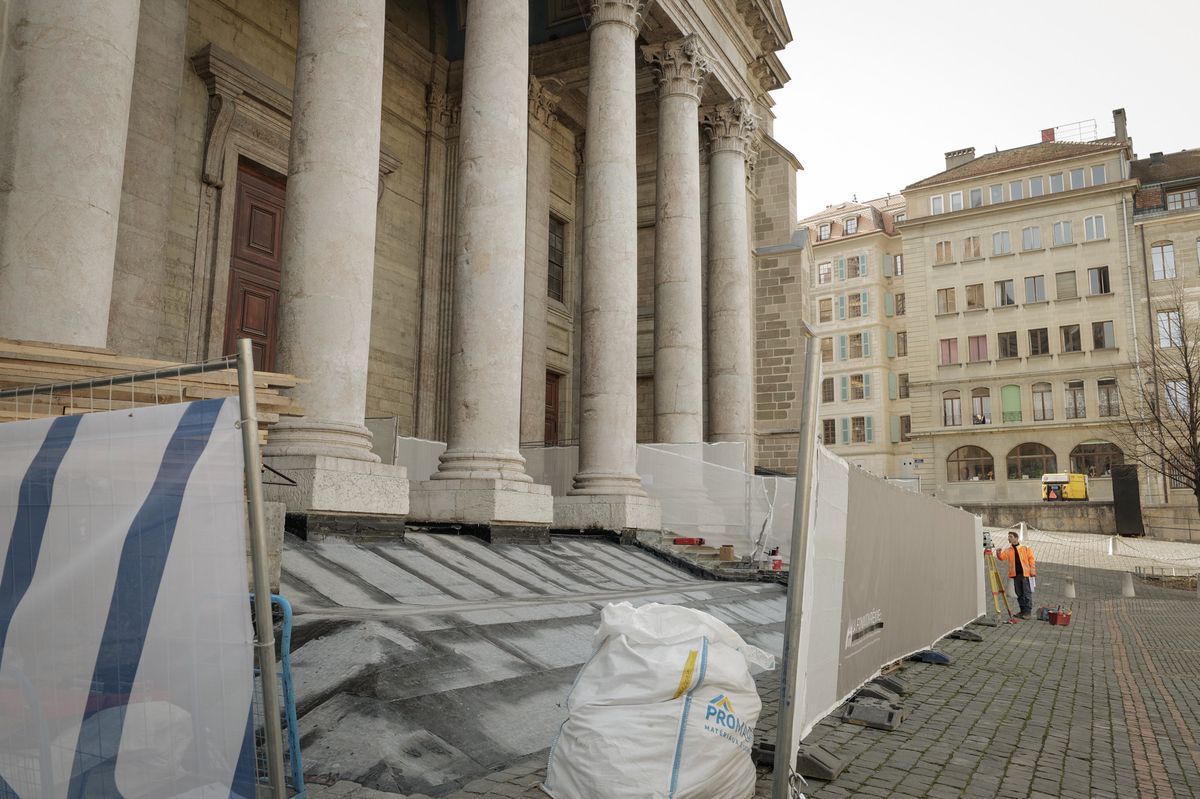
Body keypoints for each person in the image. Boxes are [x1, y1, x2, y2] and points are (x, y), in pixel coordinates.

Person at [996, 530, 1036, 619]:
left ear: (1016, 538)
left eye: (1011, 536)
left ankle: (1028, 612)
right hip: (1015, 575)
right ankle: (1022, 611)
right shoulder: (1008, 550)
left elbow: (1031, 559)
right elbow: (1002, 558)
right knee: (1019, 594)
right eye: (1008, 536)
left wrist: (1032, 571)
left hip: (1025, 574)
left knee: (1027, 594)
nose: (1009, 538)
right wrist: (998, 553)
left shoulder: (1025, 548)